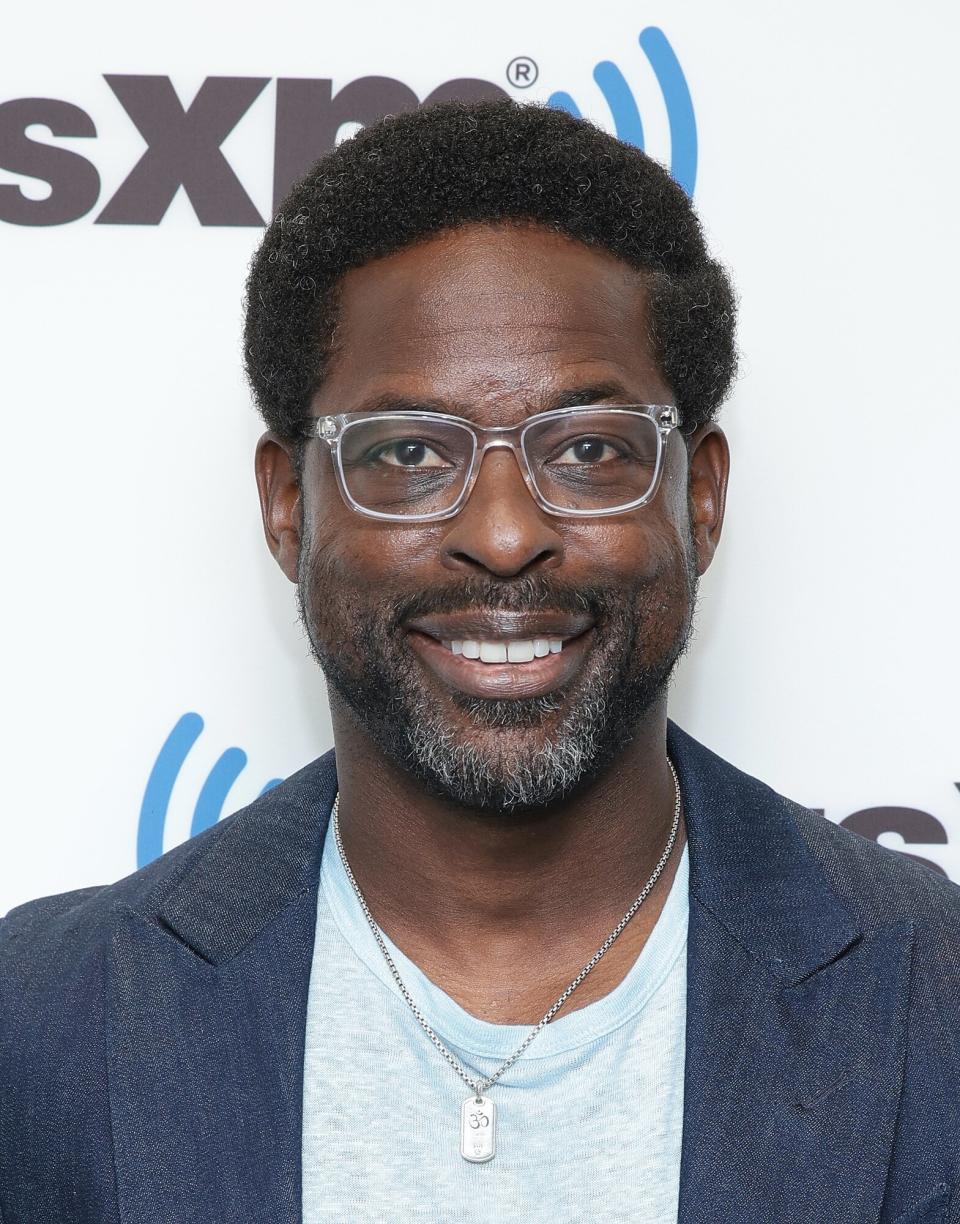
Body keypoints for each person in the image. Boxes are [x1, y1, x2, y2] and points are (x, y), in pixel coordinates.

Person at [1, 99, 958, 1224]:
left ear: (698, 499)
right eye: (407, 452)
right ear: (284, 508)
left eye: (590, 450)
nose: (504, 534)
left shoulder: (932, 994)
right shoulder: (45, 1017)